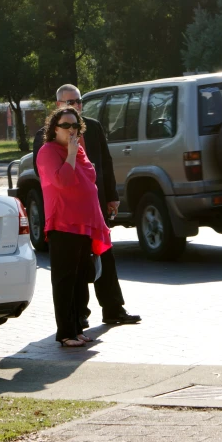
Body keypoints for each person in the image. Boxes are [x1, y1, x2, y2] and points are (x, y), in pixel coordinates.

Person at [33, 84, 141, 327]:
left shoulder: (92, 127)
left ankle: (114, 309)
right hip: (68, 215)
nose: (75, 106)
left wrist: (111, 196)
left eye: (78, 101)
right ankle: (78, 316)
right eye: (69, 102)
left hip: (95, 207)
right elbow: (50, 179)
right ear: (58, 106)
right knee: (78, 267)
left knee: (105, 257)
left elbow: (104, 162)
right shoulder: (46, 137)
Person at [36, 107, 112, 347]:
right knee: (64, 280)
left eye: (75, 126)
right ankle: (66, 333)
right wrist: (70, 153)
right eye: (66, 125)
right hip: (63, 224)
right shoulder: (48, 151)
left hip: (83, 224)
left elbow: (90, 176)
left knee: (80, 278)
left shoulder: (78, 150)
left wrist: (74, 152)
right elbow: (63, 180)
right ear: (54, 128)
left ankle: (77, 329)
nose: (71, 130)